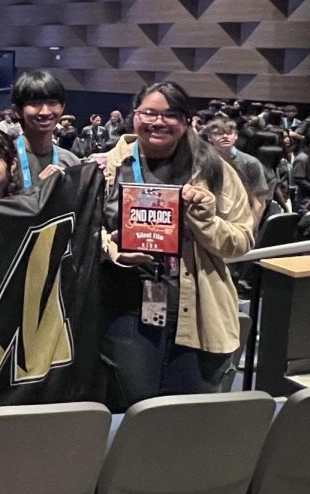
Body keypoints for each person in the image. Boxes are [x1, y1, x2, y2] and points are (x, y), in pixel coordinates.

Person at [101, 81, 254, 410]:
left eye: (170, 114)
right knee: (131, 410)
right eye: (148, 113)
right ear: (134, 116)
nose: (157, 122)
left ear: (187, 121)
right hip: (125, 307)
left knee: (185, 416)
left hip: (197, 309)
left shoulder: (214, 171)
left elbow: (241, 243)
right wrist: (115, 252)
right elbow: (89, 232)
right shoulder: (109, 168)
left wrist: (206, 220)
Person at [10, 70, 82, 191]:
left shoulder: (71, 162)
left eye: (52, 103)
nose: (45, 112)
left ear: (63, 107)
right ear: (18, 110)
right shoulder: (5, 158)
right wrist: (39, 189)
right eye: (35, 104)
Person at [203, 115, 269, 228]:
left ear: (236, 136)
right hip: (212, 219)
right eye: (218, 133)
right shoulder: (203, 162)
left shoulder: (250, 162)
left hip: (241, 220)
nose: (225, 136)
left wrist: (250, 229)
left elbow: (259, 201)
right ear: (209, 137)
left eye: (229, 133)